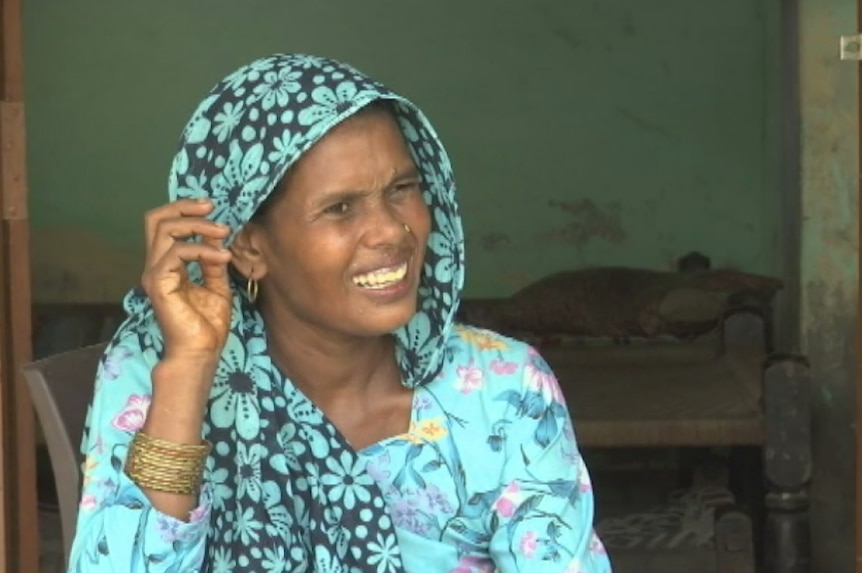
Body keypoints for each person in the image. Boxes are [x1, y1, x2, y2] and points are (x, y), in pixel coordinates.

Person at [67, 53, 613, 573]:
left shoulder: (502, 390)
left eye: (403, 189)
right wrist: (187, 374)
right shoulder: (154, 374)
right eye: (340, 208)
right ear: (251, 247)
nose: (392, 231)